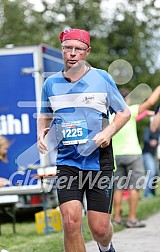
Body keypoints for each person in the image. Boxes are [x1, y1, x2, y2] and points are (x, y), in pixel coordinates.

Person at [37, 28, 130, 252]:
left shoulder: (102, 78)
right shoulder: (50, 84)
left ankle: (106, 248)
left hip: (99, 161)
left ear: (87, 52)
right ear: (62, 51)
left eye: (78, 49)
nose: (72, 53)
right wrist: (41, 132)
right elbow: (45, 114)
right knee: (70, 223)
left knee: (99, 229)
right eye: (67, 48)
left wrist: (108, 133)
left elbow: (124, 112)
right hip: (68, 161)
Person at [112, 84, 160, 228]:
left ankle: (116, 218)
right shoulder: (129, 110)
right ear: (126, 100)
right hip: (133, 154)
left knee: (118, 188)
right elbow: (150, 102)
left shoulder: (110, 115)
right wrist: (159, 89)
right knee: (135, 186)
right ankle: (132, 219)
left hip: (116, 155)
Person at [142, 123, 160, 198]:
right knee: (151, 172)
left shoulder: (159, 130)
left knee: (156, 174)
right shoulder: (148, 129)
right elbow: (145, 139)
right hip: (147, 154)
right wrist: (151, 142)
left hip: (153, 155)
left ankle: (152, 192)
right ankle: (147, 193)